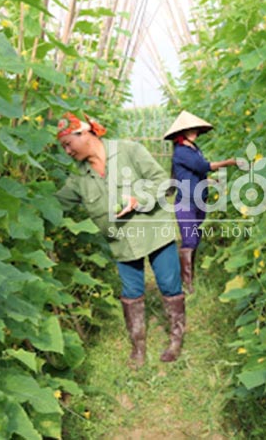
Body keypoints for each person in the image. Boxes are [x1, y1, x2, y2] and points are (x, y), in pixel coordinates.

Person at [54, 112, 184, 369]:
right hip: (122, 242)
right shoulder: (79, 179)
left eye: (69, 144)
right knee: (132, 293)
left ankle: (175, 339)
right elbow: (52, 205)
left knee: (169, 285)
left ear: (84, 133)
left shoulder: (128, 151)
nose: (67, 151)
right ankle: (138, 347)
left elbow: (162, 183)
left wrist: (136, 199)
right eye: (63, 147)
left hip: (154, 231)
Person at [163, 111, 237, 294]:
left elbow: (197, 174)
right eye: (190, 129)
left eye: (195, 129)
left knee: (195, 239)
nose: (194, 131)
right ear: (182, 132)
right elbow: (202, 167)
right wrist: (228, 162)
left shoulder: (194, 148)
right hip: (186, 202)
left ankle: (189, 276)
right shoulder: (181, 152)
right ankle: (186, 283)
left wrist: (212, 182)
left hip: (199, 200)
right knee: (189, 240)